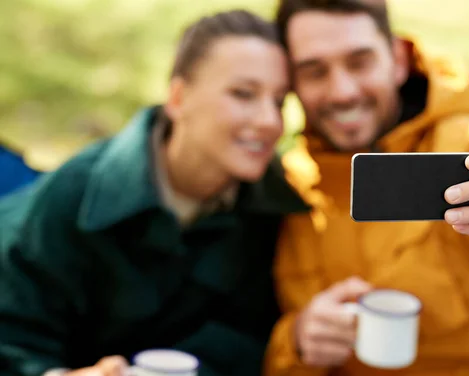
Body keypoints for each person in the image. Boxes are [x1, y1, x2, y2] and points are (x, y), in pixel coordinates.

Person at [262, 0, 469, 375]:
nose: (341, 91)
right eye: (314, 71)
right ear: (292, 82)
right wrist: (297, 341)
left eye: (359, 62)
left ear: (398, 60)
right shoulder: (288, 187)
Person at [0, 10, 310, 376]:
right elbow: (13, 339)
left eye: (279, 101)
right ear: (178, 99)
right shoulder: (74, 197)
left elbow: (247, 336)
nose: (270, 122)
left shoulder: (276, 208)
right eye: (243, 94)